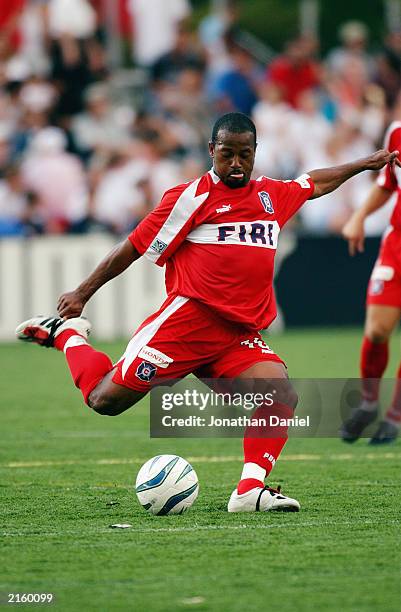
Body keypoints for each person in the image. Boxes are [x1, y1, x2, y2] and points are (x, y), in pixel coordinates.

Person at [16, 113, 399, 513]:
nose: (236, 163)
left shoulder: (271, 195)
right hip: (185, 326)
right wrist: (82, 293)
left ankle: (250, 490)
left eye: (245, 155)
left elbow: (314, 182)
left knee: (279, 394)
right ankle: (67, 335)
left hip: (235, 335)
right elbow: (133, 246)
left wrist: (363, 164)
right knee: (103, 400)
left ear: (255, 154)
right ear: (211, 151)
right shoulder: (190, 197)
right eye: (227, 154)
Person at [340, 120, 401, 444]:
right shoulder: (397, 132)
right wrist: (359, 215)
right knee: (377, 330)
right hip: (397, 246)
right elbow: (388, 183)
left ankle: (395, 417)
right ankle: (368, 403)